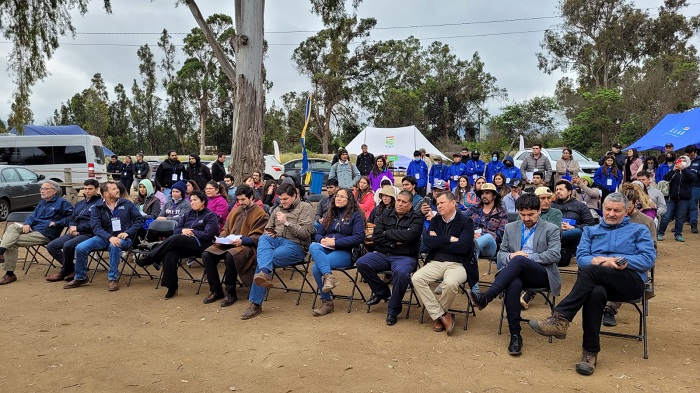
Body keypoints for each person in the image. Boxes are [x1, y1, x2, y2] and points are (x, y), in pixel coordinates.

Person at [528, 192, 655, 376]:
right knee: (595, 292)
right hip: (597, 280)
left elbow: (647, 259)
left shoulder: (639, 230)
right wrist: (601, 261)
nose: (611, 214)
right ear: (602, 209)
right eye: (608, 209)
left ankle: (561, 318)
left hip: (629, 281)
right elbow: (581, 258)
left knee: (591, 271)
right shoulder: (591, 231)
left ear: (626, 211)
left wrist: (616, 260)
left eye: (617, 210)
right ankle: (589, 354)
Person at [468, 193, 561, 354]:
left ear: (539, 210)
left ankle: (487, 297)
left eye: (531, 214)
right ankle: (515, 335)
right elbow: (501, 253)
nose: (526, 218)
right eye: (522, 214)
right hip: (515, 273)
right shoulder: (511, 228)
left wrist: (526, 257)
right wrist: (511, 256)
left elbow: (555, 254)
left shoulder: (551, 229)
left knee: (519, 260)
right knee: (513, 282)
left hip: (541, 273)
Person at [240, 182, 314, 320]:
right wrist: (270, 231)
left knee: (264, 261)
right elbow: (267, 228)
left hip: (295, 246)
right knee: (263, 239)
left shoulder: (305, 208)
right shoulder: (277, 209)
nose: (282, 201)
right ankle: (265, 274)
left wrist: (287, 223)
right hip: (276, 242)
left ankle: (255, 303)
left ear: (294, 196)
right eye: (280, 198)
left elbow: (305, 233)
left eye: (285, 199)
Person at [410, 191, 475, 335]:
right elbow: (427, 241)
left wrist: (438, 240)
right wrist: (449, 239)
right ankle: (442, 315)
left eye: (442, 203)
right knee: (416, 278)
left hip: (459, 263)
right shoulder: (436, 220)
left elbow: (463, 246)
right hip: (437, 261)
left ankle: (438, 315)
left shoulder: (466, 221)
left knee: (450, 283)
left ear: (453, 203)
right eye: (437, 203)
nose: (438, 206)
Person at [356, 190, 423, 325]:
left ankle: (393, 309)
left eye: (404, 202)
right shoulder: (387, 213)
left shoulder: (417, 217)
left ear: (411, 204)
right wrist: (394, 242)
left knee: (402, 273)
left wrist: (388, 233)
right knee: (362, 262)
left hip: (404, 257)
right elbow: (376, 236)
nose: (399, 204)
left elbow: (410, 237)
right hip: (383, 255)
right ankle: (383, 292)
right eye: (398, 200)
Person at [138, 190, 219, 298]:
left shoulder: (210, 216)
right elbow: (176, 229)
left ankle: (151, 257)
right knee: (170, 253)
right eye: (191, 200)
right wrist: (183, 231)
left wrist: (193, 232)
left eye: (195, 200)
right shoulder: (188, 213)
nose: (192, 203)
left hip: (202, 245)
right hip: (184, 244)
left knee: (176, 239)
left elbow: (208, 234)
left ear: (203, 201)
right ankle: (172, 287)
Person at [65, 182, 143, 291]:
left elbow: (139, 221)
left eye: (117, 188)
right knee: (80, 248)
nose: (117, 190)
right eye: (114, 189)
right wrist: (109, 237)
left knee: (114, 245)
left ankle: (113, 278)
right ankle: (80, 277)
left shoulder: (127, 204)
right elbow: (96, 227)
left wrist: (128, 232)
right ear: (106, 193)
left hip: (124, 238)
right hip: (104, 237)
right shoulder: (97, 207)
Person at [201, 184, 268, 307]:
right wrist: (221, 238)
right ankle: (216, 290)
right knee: (207, 254)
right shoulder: (236, 211)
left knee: (230, 256)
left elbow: (260, 237)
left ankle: (231, 292)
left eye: (243, 199)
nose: (240, 202)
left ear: (251, 197)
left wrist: (243, 241)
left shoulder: (260, 213)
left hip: (247, 246)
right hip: (230, 243)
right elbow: (226, 228)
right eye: (238, 200)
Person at [603, 184, 657, 327]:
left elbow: (651, 250)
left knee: (620, 268)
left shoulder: (646, 222)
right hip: (608, 263)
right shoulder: (610, 219)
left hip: (632, 265)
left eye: (627, 205)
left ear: (636, 203)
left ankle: (609, 308)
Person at [0, 180, 73, 285]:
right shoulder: (41, 202)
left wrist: (57, 223)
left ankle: (10, 273)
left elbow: (72, 219)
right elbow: (32, 216)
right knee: (12, 227)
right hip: (32, 229)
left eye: (45, 189)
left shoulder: (63, 203)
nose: (42, 191)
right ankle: (1, 251)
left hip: (45, 233)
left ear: (55, 191)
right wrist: (27, 223)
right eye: (41, 189)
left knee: (10, 242)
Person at [309, 188, 366, 316]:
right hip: (326, 248)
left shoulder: (356, 216)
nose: (338, 199)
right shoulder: (331, 214)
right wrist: (322, 240)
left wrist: (335, 242)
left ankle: (327, 302)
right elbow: (318, 233)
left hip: (345, 251)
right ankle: (329, 277)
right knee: (313, 245)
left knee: (316, 268)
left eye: (342, 197)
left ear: (349, 200)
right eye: (337, 196)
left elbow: (358, 238)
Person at [46, 179, 102, 282]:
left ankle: (64, 271)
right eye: (85, 189)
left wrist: (78, 229)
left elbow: (95, 223)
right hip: (74, 232)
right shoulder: (81, 203)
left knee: (68, 245)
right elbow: (72, 217)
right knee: (51, 246)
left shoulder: (100, 204)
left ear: (97, 190)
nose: (87, 191)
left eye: (90, 189)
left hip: (89, 234)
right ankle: (73, 268)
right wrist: (72, 226)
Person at [552, 180, 596, 264]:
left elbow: (591, 225)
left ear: (569, 192)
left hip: (574, 239)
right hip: (555, 238)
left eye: (561, 189)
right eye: (556, 190)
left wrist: (573, 227)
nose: (558, 192)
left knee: (577, 232)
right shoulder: (552, 206)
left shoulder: (581, 206)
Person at [658, 156, 697, 242]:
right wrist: (673, 170)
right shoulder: (673, 169)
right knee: (666, 216)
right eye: (680, 160)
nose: (682, 162)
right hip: (671, 197)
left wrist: (683, 169)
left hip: (684, 199)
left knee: (680, 217)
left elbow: (693, 179)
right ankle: (660, 233)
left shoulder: (691, 171)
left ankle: (678, 234)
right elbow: (665, 178)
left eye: (684, 160)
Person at [465, 183, 507, 262]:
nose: (484, 195)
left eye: (487, 193)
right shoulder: (473, 209)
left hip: (490, 247)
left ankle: (472, 250)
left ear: (494, 196)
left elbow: (501, 234)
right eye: (482, 193)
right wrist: (471, 235)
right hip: (472, 239)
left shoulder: (502, 212)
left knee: (488, 237)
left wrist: (481, 235)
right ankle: (473, 254)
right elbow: (463, 225)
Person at [684, 145, 700, 233]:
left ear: (695, 152)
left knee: (694, 206)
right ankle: (691, 224)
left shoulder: (699, 160)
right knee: (688, 206)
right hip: (686, 185)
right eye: (688, 155)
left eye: (691, 155)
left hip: (696, 185)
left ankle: (693, 224)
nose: (689, 157)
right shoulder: (684, 160)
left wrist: (696, 171)